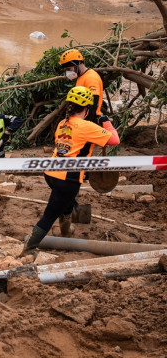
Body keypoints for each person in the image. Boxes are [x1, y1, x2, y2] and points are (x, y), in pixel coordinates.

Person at [22, 87, 119, 254]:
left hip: (51, 173)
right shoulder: (87, 126)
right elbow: (114, 140)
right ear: (87, 109)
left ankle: (66, 232)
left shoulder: (62, 123)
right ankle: (29, 248)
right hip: (68, 178)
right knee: (49, 215)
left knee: (65, 203)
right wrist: (106, 122)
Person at [60, 48, 103, 123]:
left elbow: (93, 104)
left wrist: (85, 123)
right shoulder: (81, 77)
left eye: (69, 69)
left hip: (91, 120)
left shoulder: (91, 77)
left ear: (77, 65)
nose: (68, 72)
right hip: (81, 119)